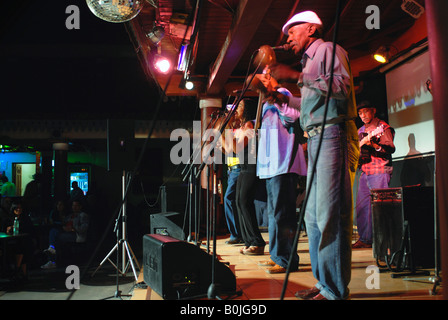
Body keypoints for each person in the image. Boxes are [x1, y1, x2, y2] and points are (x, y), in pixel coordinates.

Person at [270, 10, 359, 299]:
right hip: (318, 137)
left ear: (310, 28)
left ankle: (334, 290)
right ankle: (324, 284)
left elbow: (342, 87)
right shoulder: (310, 61)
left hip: (334, 134)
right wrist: (285, 97)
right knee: (312, 217)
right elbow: (312, 101)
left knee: (331, 215)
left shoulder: (329, 50)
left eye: (292, 32)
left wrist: (296, 76)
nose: (288, 39)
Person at [252, 69, 307, 273]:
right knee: (275, 213)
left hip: (283, 163)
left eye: (266, 76)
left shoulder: (283, 93)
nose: (264, 81)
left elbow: (293, 117)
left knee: (283, 213)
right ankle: (277, 255)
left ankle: (286, 259)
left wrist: (276, 97)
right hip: (270, 165)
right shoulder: (265, 103)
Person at [354, 101, 395, 248]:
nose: (363, 115)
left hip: (379, 170)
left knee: (379, 207)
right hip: (365, 171)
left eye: (365, 112)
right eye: (360, 113)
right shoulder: (360, 130)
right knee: (362, 207)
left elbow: (390, 148)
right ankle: (365, 239)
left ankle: (383, 242)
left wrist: (375, 145)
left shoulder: (382, 127)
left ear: (373, 111)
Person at [231, 98, 267, 255]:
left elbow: (237, 147)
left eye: (240, 105)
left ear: (247, 109)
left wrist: (224, 131)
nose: (237, 108)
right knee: (239, 202)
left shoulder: (250, 125)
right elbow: (229, 150)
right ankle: (249, 241)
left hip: (251, 167)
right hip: (243, 167)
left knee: (245, 202)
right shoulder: (241, 127)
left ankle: (257, 241)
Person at [41, 200, 89, 269]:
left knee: (56, 238)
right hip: (67, 233)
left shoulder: (83, 215)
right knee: (53, 231)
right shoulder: (70, 215)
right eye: (73, 206)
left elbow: (83, 228)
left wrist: (73, 228)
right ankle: (52, 254)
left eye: (76, 206)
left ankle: (52, 259)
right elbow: (63, 223)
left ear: (80, 207)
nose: (74, 207)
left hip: (77, 235)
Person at [220, 108, 244, 245]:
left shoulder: (240, 130)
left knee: (229, 198)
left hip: (238, 169)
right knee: (233, 201)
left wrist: (222, 134)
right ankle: (237, 234)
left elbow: (234, 150)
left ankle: (236, 234)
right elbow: (228, 152)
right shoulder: (232, 131)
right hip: (231, 170)